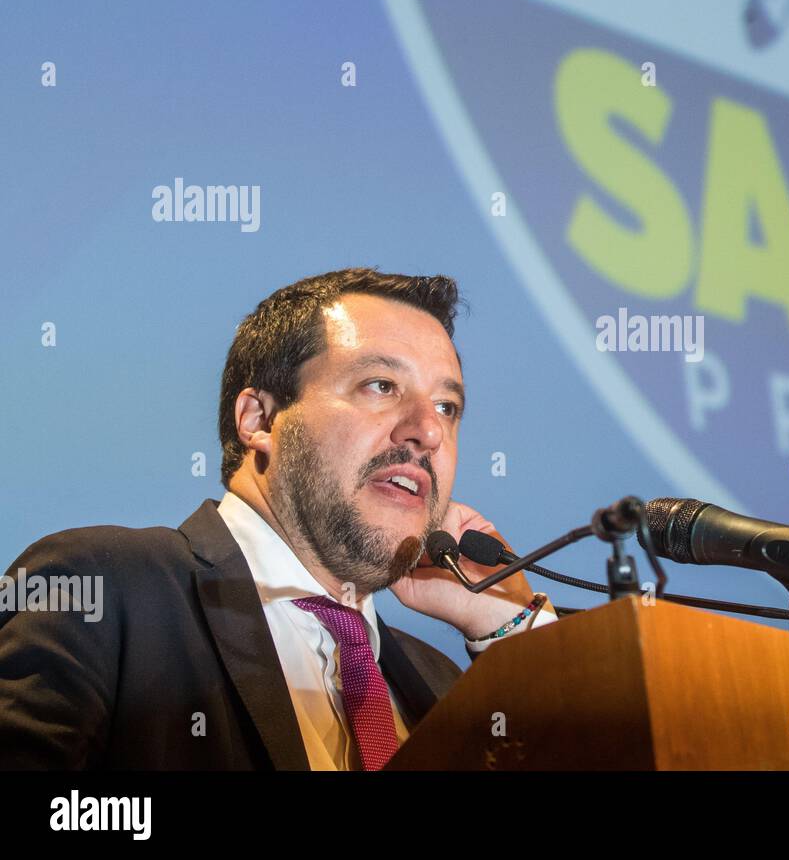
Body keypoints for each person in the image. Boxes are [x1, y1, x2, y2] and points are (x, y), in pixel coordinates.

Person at [0, 267, 554, 769]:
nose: (428, 431)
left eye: (446, 407)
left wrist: (508, 629)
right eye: (382, 386)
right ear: (259, 418)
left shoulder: (439, 687)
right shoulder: (104, 587)